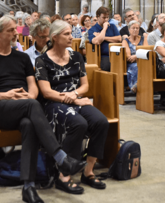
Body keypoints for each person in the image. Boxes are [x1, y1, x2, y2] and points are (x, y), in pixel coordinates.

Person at [0, 16, 87, 203]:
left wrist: (30, 96)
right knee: (32, 107)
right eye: (10, 30)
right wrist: (6, 95)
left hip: (24, 106)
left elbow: (32, 87)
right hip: (0, 108)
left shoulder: (22, 57)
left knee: (29, 125)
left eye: (15, 29)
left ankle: (29, 187)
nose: (15, 33)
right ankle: (61, 158)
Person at [35, 20, 109, 194]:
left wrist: (75, 95)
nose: (71, 37)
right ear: (54, 37)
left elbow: (85, 86)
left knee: (101, 121)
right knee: (79, 124)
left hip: (75, 99)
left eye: (71, 33)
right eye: (66, 34)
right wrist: (74, 100)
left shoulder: (76, 57)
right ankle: (64, 175)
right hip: (54, 104)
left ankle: (88, 171)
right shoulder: (42, 61)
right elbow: (46, 92)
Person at [88, 7, 122, 71]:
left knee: (124, 64)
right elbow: (97, 41)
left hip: (116, 53)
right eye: (104, 17)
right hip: (104, 56)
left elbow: (119, 38)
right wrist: (104, 28)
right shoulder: (92, 29)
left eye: (107, 17)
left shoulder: (112, 26)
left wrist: (103, 37)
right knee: (108, 65)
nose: (106, 20)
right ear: (98, 17)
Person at [123, 20, 144, 93]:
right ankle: (135, 87)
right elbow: (129, 57)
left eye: (137, 28)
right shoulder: (125, 41)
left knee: (146, 67)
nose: (135, 30)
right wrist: (139, 56)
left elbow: (147, 51)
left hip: (144, 61)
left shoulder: (143, 39)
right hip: (132, 64)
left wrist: (136, 56)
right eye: (133, 28)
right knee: (135, 66)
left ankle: (139, 85)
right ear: (129, 29)